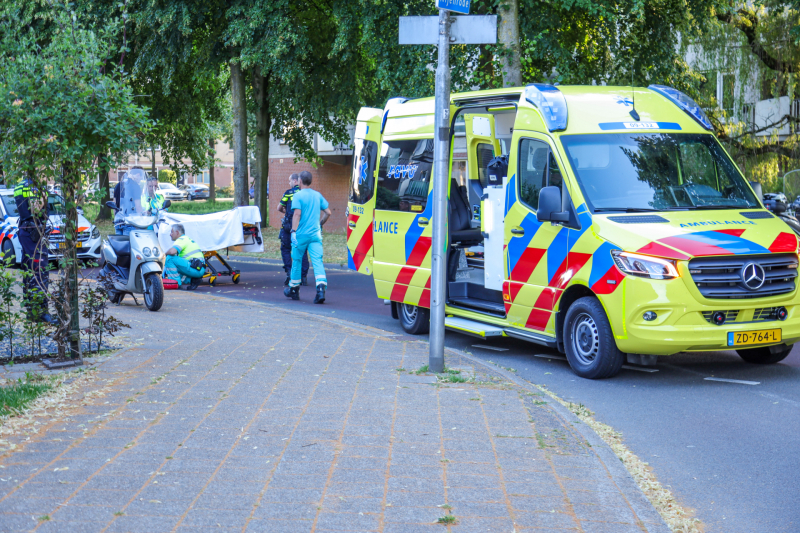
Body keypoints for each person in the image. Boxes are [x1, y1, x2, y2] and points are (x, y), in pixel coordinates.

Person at [283, 170, 331, 304]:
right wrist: (320, 223)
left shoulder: (298, 196)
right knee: (318, 261)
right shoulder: (317, 195)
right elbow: (328, 212)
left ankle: (294, 289)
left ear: (299, 181)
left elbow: (297, 214)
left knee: (297, 260)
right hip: (315, 235)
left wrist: (293, 231)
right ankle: (321, 288)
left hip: (301, 235)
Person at [13, 179, 56, 324]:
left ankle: (32, 311)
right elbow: (35, 208)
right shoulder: (32, 187)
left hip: (27, 229)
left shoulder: (21, 185)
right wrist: (44, 199)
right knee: (39, 270)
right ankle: (41, 312)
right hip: (33, 230)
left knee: (29, 269)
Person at [278, 173, 309, 286]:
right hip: (302, 226)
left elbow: (279, 208)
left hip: (288, 226)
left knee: (285, 249)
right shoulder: (304, 194)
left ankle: (289, 272)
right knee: (302, 250)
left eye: (290, 181)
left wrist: (286, 211)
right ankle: (303, 276)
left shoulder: (288, 193)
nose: (289, 183)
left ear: (295, 181)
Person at [164, 224, 206, 290]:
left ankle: (175, 284)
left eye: (172, 232)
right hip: (198, 268)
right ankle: (193, 279)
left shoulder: (181, 239)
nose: (170, 234)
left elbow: (172, 251)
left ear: (177, 232)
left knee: (170, 258)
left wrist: (163, 254)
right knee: (175, 267)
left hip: (195, 267)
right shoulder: (187, 239)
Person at [114, 167, 145, 235]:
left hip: (118, 221)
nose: (140, 180)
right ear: (138, 175)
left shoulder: (119, 184)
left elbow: (115, 205)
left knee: (120, 245)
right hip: (130, 222)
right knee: (129, 244)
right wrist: (143, 218)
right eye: (141, 178)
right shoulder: (135, 186)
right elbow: (138, 206)